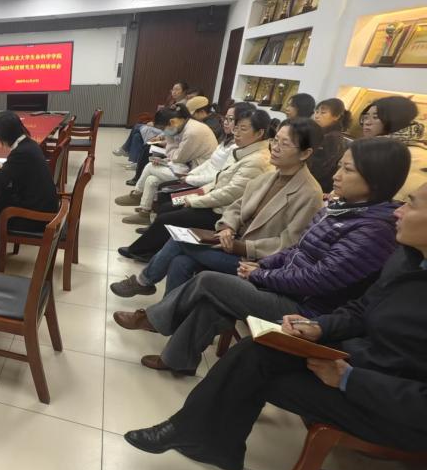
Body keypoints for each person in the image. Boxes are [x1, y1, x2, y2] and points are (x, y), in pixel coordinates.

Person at [123, 181, 427, 470]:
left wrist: (350, 380)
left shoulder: (375, 231)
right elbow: (361, 309)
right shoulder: (408, 259)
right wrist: (318, 327)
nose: (398, 212)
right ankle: (202, 437)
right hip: (355, 357)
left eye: (411, 205)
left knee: (250, 368)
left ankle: (205, 438)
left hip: (390, 408)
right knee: (259, 347)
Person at [114, 137, 410, 375]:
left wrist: (262, 273)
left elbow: (319, 278)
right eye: (339, 166)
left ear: (376, 178)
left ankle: (155, 318)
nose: (336, 175)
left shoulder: (372, 228)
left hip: (305, 310)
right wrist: (260, 265)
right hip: (277, 279)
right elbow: (297, 249)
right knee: (206, 290)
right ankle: (178, 359)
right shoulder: (340, 208)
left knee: (208, 281)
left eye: (347, 170)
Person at [111, 118, 324, 300]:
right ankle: (167, 315)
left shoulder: (308, 193)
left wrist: (243, 247)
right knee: (180, 261)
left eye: (284, 144)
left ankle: (144, 282)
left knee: (179, 238)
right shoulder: (270, 176)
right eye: (275, 140)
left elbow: (288, 244)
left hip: (256, 262)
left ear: (305, 153)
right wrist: (227, 227)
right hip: (230, 240)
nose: (275, 148)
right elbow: (237, 206)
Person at [118, 108, 274, 262]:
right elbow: (217, 176)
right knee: (167, 204)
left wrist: (195, 199)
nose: (236, 132)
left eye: (242, 129)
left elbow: (230, 193)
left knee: (168, 214)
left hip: (222, 213)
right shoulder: (240, 149)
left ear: (259, 133)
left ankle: (141, 250)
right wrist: (197, 191)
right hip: (210, 195)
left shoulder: (257, 160)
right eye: (235, 126)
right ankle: (152, 245)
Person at [0, 111, 59, 260]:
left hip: (37, 216)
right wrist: (0, 167)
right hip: (42, 203)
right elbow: (18, 169)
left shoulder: (21, 152)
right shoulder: (29, 144)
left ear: (3, 135)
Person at [116, 100, 217, 224]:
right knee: (152, 179)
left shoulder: (193, 132)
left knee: (150, 166)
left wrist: (169, 140)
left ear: (172, 122)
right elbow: (176, 154)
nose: (164, 132)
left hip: (196, 173)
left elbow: (178, 157)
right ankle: (144, 212)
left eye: (163, 129)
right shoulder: (185, 127)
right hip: (188, 167)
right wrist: (167, 157)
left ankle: (137, 194)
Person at [360, 96, 426, 201]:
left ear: (396, 120)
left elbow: (397, 200)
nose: (367, 122)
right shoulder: (373, 147)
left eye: (375, 117)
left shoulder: (413, 156)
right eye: (366, 117)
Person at [308, 98, 351, 193]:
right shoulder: (322, 134)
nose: (317, 116)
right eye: (316, 112)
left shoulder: (332, 137)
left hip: (317, 187)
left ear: (336, 116)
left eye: (323, 113)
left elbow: (320, 168)